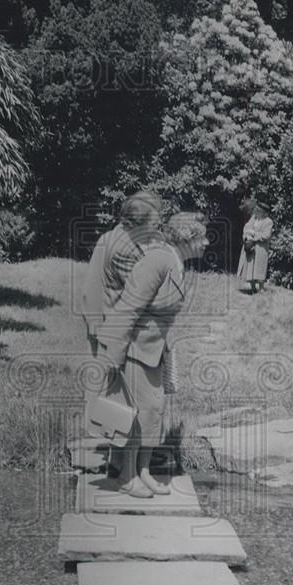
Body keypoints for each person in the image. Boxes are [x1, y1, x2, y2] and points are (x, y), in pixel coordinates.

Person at [99, 211, 207, 498]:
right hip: (134, 348)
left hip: (154, 349)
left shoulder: (175, 261)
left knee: (153, 412)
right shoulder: (157, 259)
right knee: (137, 414)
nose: (207, 242)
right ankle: (126, 476)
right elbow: (128, 307)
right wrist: (114, 354)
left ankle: (143, 472)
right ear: (188, 238)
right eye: (203, 237)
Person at [81, 190, 164, 356]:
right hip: (115, 329)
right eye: (155, 224)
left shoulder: (112, 234)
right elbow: (144, 294)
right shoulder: (127, 250)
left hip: (99, 318)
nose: (160, 225)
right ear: (137, 224)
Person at [236, 198, 273, 294]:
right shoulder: (253, 218)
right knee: (250, 267)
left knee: (260, 268)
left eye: (258, 211)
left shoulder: (268, 222)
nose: (255, 212)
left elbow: (266, 235)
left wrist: (254, 234)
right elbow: (246, 227)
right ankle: (252, 288)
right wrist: (247, 236)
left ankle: (261, 288)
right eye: (256, 210)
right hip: (250, 247)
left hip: (260, 249)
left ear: (263, 212)